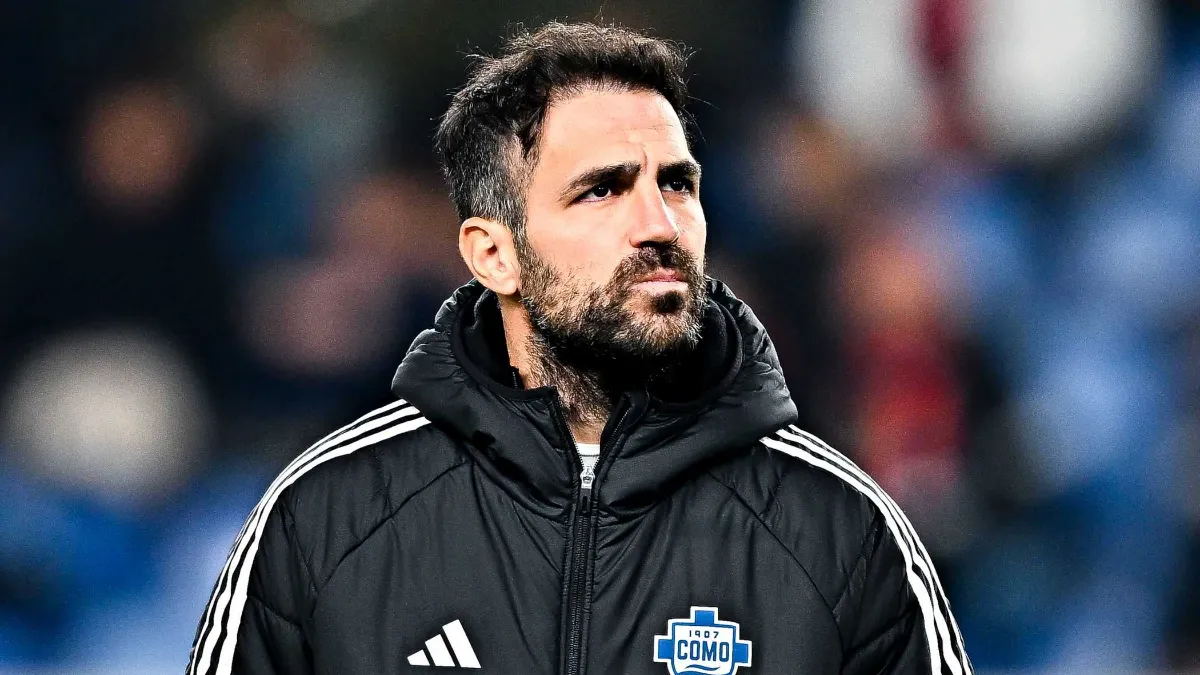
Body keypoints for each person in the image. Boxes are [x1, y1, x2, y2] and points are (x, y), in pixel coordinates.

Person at [186, 22, 971, 675]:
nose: (658, 224)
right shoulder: (324, 520)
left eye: (676, 184)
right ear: (494, 255)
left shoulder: (841, 531)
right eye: (601, 190)